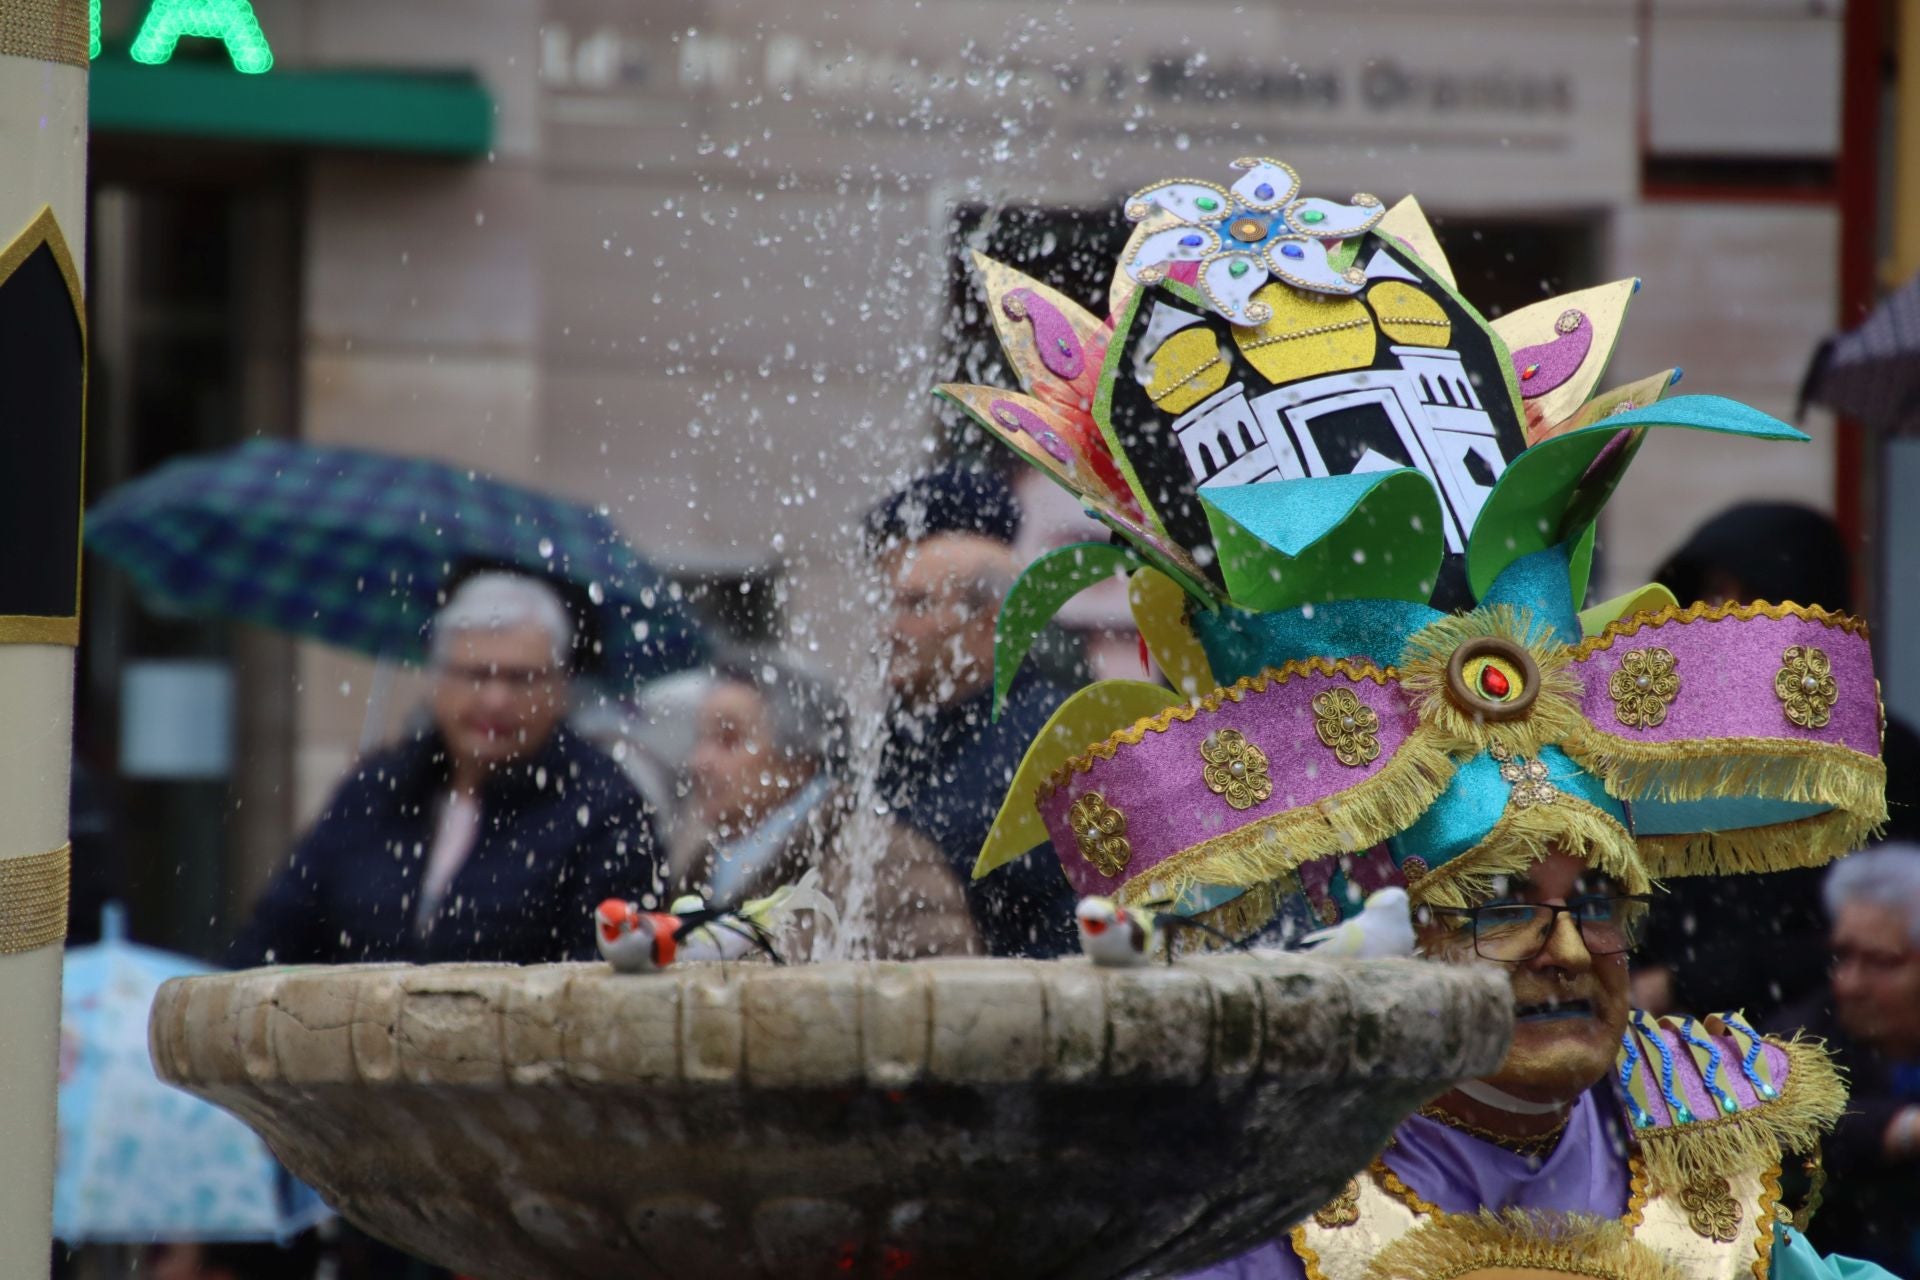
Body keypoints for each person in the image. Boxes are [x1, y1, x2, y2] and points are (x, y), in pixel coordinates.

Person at [943, 159, 1892, 1277]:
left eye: (1594, 898)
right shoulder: (1261, 1183)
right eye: (1496, 901)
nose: (1565, 949)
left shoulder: (1699, 1141)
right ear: (1376, 910)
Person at [230, 572, 660, 967]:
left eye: (520, 678)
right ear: (437, 680)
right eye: (476, 674)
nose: (495, 699)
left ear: (559, 687)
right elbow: (271, 941)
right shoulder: (377, 789)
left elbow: (604, 970)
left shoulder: (604, 807)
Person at [1634, 502, 1920, 1024]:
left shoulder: (1877, 757)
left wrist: (1688, 982)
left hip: (1823, 1063)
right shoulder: (1669, 752)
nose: (1722, 618)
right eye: (1712, 596)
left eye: (1752, 600)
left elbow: (1870, 947)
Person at [865, 463, 1078, 956]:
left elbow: (939, 848)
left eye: (915, 606)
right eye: (887, 605)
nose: (887, 630)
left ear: (989, 622)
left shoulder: (1050, 740)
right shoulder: (909, 727)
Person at [667, 653, 979, 959]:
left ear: (800, 759)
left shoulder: (887, 862)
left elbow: (946, 997)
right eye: (700, 739)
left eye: (729, 739)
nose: (699, 762)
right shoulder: (699, 873)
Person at [1768, 847, 1920, 1275]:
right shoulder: (1797, 1042)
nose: (1849, 983)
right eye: (1843, 956)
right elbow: (1802, 1127)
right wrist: (1902, 1128)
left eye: (1881, 962)